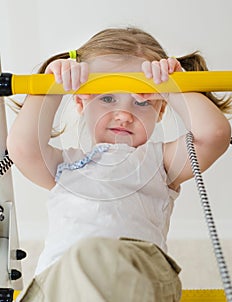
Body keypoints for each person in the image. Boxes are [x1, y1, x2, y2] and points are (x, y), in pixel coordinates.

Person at [7, 27, 231, 302]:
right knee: (80, 259)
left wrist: (175, 88)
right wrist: (51, 87)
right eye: (107, 98)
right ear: (80, 102)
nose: (124, 114)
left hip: (137, 275)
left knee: (93, 254)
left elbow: (215, 135)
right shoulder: (64, 165)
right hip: (60, 281)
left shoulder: (159, 163)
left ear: (160, 109)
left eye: (141, 101)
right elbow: (21, 147)